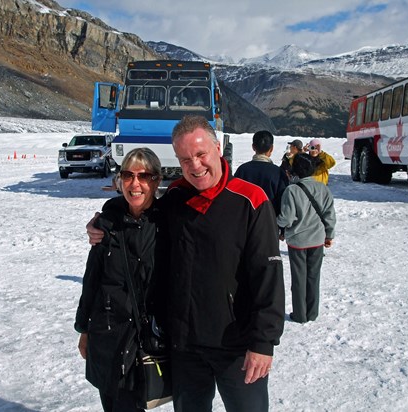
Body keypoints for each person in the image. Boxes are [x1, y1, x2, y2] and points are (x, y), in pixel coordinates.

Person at [88, 116, 285, 412]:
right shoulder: (176, 197)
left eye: (201, 154)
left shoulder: (250, 200)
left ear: (218, 148)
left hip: (238, 346)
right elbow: (140, 209)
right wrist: (106, 218)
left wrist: (263, 343)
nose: (195, 166)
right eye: (184, 159)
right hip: (185, 346)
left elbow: (268, 276)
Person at [74, 148, 163, 412]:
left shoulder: (169, 222)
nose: (135, 184)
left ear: (156, 181)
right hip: (109, 336)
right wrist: (84, 329)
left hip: (146, 339)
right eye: (127, 175)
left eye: (143, 176)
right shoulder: (108, 222)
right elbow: (92, 279)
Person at [277, 153, 336, 324]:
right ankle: (312, 313)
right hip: (317, 239)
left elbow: (287, 218)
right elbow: (329, 215)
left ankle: (300, 314)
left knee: (299, 278)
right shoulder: (323, 189)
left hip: (297, 241)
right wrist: (329, 235)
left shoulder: (292, 190)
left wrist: (274, 223)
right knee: (313, 277)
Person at [234, 130, 288, 215]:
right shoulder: (278, 172)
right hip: (270, 220)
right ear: (272, 148)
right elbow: (284, 201)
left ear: (253, 147)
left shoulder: (242, 170)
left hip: (246, 220)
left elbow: (235, 198)